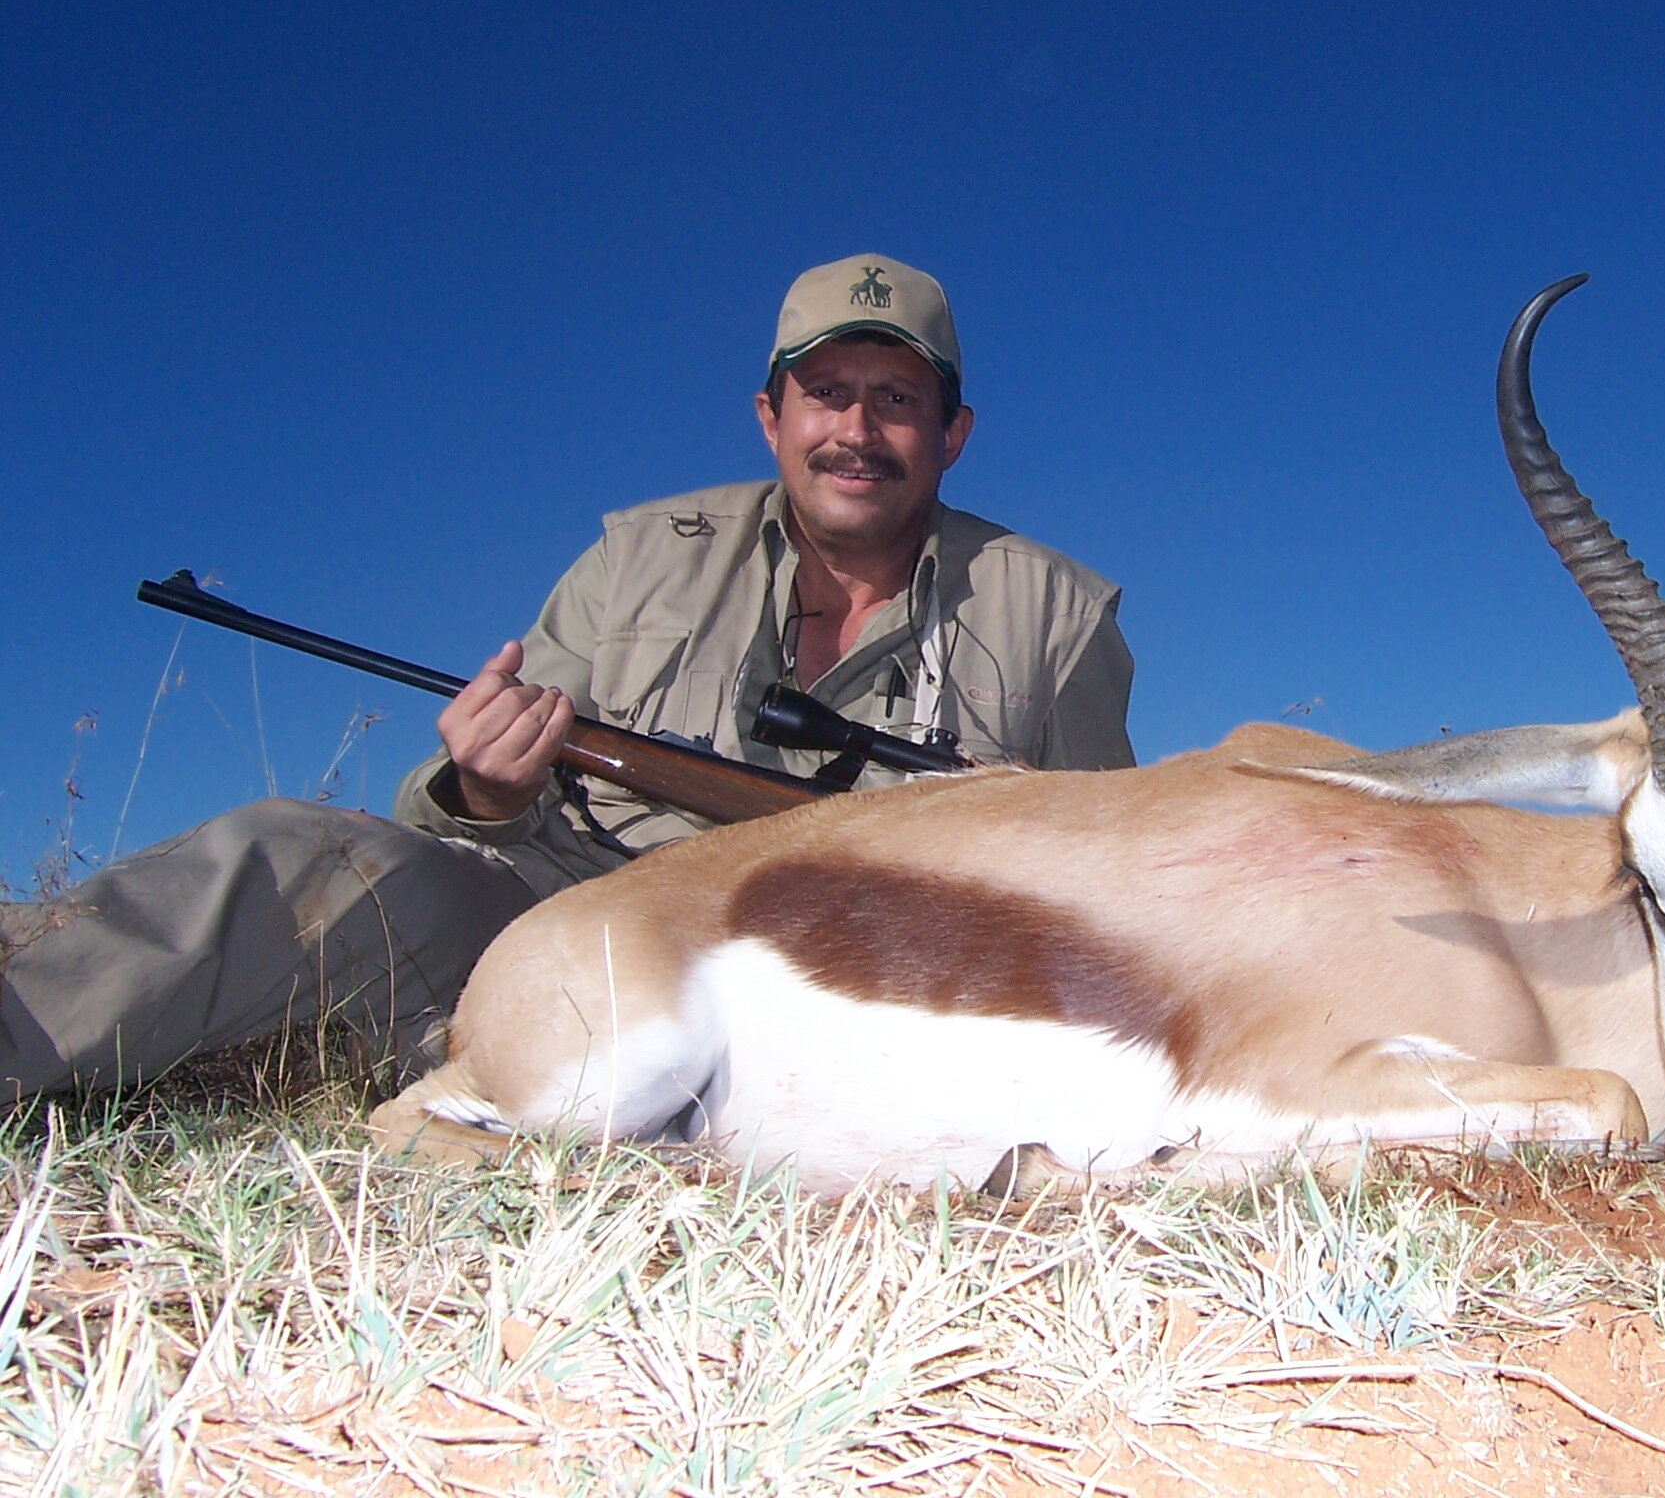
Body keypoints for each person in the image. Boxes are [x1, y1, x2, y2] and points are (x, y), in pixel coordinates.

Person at [0, 254, 1134, 1101]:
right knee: (308, 859)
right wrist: (485, 788)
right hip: (578, 911)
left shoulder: (1058, 616)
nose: (856, 428)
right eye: (826, 392)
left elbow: (1120, 900)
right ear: (770, 417)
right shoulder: (637, 558)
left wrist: (1020, 833)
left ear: (953, 433)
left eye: (896, 400)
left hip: (875, 981)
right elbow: (464, 816)